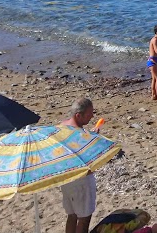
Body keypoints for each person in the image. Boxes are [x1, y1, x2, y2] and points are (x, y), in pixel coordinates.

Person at [59, 98, 97, 233]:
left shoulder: (61, 127)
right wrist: (92, 139)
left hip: (66, 178)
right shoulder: (80, 134)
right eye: (89, 114)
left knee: (72, 215)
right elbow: (87, 157)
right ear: (78, 115)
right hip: (81, 179)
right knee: (84, 217)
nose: (92, 116)